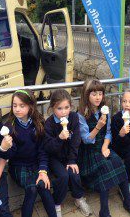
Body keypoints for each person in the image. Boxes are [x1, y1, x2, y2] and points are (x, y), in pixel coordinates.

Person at [77, 79, 130, 217]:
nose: (98, 97)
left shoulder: (104, 111)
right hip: (89, 151)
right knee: (104, 168)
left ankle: (129, 203)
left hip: (103, 146)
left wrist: (105, 146)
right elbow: (86, 140)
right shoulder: (80, 115)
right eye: (94, 94)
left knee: (118, 162)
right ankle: (104, 210)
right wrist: (97, 127)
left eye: (100, 93)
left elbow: (108, 133)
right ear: (86, 95)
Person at [5, 89, 57, 217]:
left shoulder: (38, 124)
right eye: (14, 105)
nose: (17, 109)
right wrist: (7, 146)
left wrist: (43, 170)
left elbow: (43, 150)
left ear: (30, 106)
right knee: (32, 188)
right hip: (19, 166)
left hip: (35, 164)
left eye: (22, 106)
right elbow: (10, 156)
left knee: (43, 186)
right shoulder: (9, 127)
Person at [44, 89, 92, 217]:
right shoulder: (49, 124)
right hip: (54, 158)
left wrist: (72, 160)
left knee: (74, 173)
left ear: (71, 106)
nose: (64, 112)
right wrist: (59, 138)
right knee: (63, 176)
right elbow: (48, 147)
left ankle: (79, 198)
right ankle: (56, 203)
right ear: (53, 108)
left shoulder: (74, 117)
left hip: (69, 156)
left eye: (67, 107)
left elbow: (76, 140)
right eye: (59, 108)